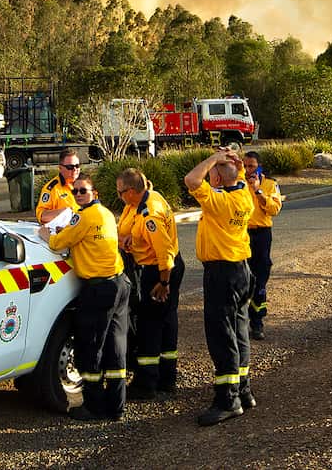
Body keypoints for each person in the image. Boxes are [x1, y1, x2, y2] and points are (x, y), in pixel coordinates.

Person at [38, 174, 129, 422]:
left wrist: (47, 235)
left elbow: (58, 242)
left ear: (94, 193)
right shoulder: (106, 214)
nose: (78, 195)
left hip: (98, 289)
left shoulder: (83, 216)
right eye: (76, 191)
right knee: (115, 346)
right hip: (118, 284)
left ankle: (93, 406)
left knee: (90, 346)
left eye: (83, 191)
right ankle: (117, 406)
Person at [183, 148, 254, 426]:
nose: (209, 174)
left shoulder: (220, 201)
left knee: (222, 335)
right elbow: (240, 177)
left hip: (222, 273)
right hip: (240, 270)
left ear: (218, 177)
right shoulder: (244, 194)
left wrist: (214, 159)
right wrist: (232, 164)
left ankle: (228, 399)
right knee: (239, 331)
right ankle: (244, 390)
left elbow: (191, 180)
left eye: (212, 172)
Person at [116, 167, 184, 400]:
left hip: (160, 271)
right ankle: (167, 378)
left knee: (150, 325)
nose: (119, 197)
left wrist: (163, 283)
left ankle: (146, 383)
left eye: (121, 192)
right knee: (166, 321)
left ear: (133, 191)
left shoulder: (149, 214)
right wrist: (130, 241)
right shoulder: (146, 198)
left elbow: (165, 256)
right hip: (159, 267)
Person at [242, 151, 283, 341]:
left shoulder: (270, 184)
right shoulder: (239, 184)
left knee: (260, 278)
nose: (247, 170)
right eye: (245, 165)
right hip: (242, 234)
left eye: (251, 166)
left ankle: (257, 323)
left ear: (259, 167)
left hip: (261, 235)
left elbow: (274, 209)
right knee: (243, 278)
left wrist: (258, 191)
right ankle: (241, 322)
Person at [36, 149, 82, 224]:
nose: (74, 169)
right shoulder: (52, 189)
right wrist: (64, 213)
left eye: (77, 166)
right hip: (64, 231)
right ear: (60, 168)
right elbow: (42, 215)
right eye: (70, 167)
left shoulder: (85, 183)